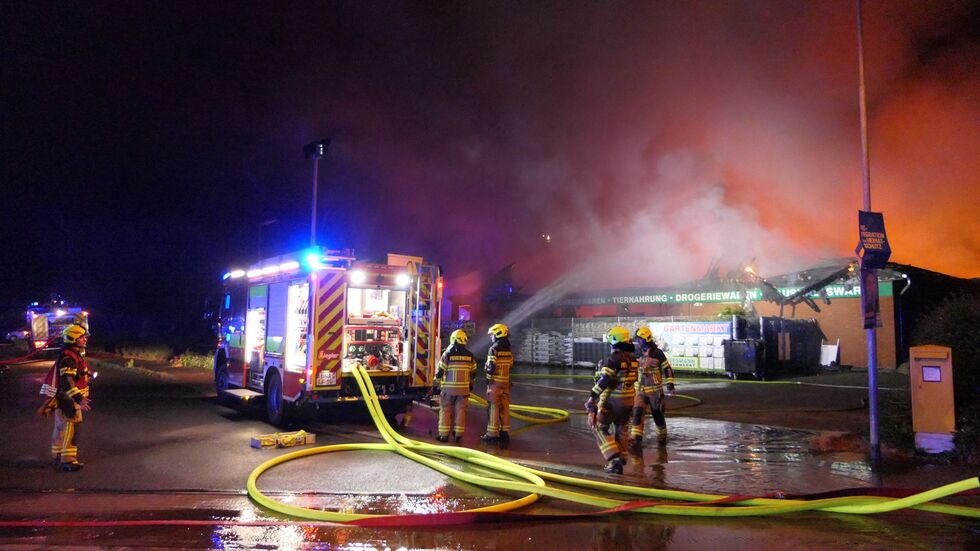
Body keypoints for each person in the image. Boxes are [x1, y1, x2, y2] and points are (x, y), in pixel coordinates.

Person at [38, 324, 93, 471]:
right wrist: (79, 399)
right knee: (72, 428)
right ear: (73, 338)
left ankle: (57, 456)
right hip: (68, 400)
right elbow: (67, 381)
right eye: (82, 337)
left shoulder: (71, 354)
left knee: (61, 428)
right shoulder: (69, 358)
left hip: (63, 399)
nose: (85, 340)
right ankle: (68, 460)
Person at [585, 326, 638, 474]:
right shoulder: (633, 360)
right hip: (629, 401)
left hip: (613, 402)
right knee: (622, 430)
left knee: (598, 427)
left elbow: (604, 380)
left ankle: (613, 459)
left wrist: (591, 399)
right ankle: (620, 461)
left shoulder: (612, 360)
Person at [629, 326, 675, 449]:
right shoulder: (636, 352)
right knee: (637, 413)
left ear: (646, 339)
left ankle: (662, 439)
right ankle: (635, 439)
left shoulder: (657, 353)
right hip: (640, 392)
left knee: (657, 415)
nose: (638, 342)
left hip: (655, 393)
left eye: (639, 340)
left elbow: (667, 368)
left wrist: (670, 383)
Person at [434, 329, 476, 443]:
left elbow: (440, 372)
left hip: (448, 389)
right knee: (461, 411)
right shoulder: (470, 355)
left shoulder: (447, 354)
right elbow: (473, 373)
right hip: (463, 390)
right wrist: (470, 385)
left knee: (445, 410)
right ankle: (458, 435)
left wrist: (435, 383)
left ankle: (443, 435)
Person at [481, 323, 513, 443]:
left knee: (493, 407)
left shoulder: (493, 349)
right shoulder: (508, 349)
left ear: (498, 334)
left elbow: (491, 367)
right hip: (505, 382)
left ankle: (492, 434)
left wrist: (488, 380)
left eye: (492, 335)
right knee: (504, 408)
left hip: (495, 383)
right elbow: (510, 365)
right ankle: (505, 433)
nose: (491, 337)